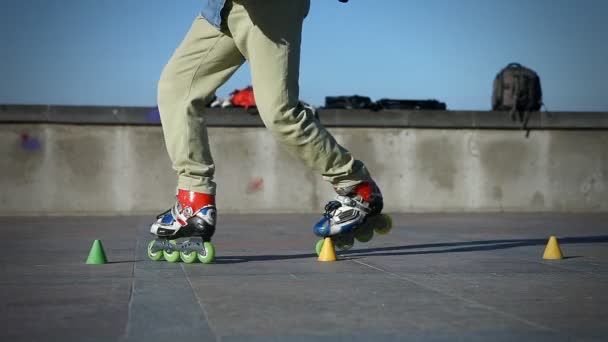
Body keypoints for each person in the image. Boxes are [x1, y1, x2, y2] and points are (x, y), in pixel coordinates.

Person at [147, 0, 385, 263]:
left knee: (279, 111)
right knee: (176, 89)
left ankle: (357, 187)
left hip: (269, 7)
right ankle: (194, 199)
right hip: (220, 10)